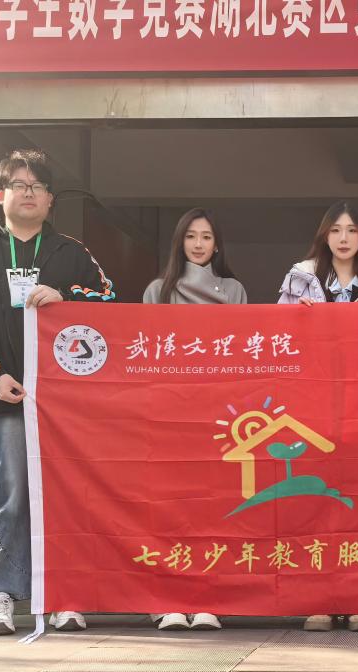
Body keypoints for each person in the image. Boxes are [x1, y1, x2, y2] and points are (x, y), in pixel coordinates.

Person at [0, 149, 116, 636]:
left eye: (37, 186)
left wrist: (68, 296)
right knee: (7, 496)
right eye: (18, 185)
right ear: (1, 195)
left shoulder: (71, 253)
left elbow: (109, 298)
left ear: (49, 200)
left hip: (64, 405)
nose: (28, 193)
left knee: (63, 496)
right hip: (1, 397)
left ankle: (61, 594)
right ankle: (0, 595)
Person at [278, 201, 358, 632]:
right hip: (312, 406)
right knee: (314, 504)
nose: (344, 237)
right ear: (324, 235)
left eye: (352, 229)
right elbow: (278, 342)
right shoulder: (299, 279)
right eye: (336, 230)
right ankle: (317, 598)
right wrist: (297, 322)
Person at [143, 207, 247, 630]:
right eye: (190, 236)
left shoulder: (234, 290)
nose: (199, 244)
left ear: (217, 244)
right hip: (169, 417)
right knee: (168, 509)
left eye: (206, 236)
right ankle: (166, 600)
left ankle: (209, 599)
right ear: (179, 242)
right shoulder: (157, 291)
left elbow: (242, 354)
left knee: (214, 509)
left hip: (218, 417)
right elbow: (146, 355)